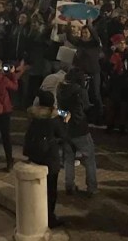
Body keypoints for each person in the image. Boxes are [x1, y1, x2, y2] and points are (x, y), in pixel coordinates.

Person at [23, 90, 70, 228]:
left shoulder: (33, 115)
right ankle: (49, 217)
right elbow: (63, 135)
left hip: (34, 155)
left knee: (37, 187)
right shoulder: (53, 119)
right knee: (51, 190)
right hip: (49, 158)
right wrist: (65, 121)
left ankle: (36, 213)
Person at [57, 68, 97, 196]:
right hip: (80, 129)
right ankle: (92, 187)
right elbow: (85, 107)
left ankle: (69, 186)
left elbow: (59, 110)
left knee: (68, 159)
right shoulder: (80, 91)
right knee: (89, 159)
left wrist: (65, 116)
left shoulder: (60, 89)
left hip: (66, 128)